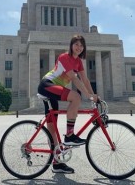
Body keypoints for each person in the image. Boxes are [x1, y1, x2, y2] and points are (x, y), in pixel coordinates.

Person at [37, 34, 98, 174]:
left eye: (81, 45)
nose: (79, 47)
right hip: (47, 85)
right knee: (76, 97)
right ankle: (70, 135)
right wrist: (87, 95)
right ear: (71, 45)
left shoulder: (79, 62)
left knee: (53, 132)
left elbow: (85, 80)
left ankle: (57, 164)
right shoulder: (64, 57)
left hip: (54, 92)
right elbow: (74, 79)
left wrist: (94, 95)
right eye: (76, 44)